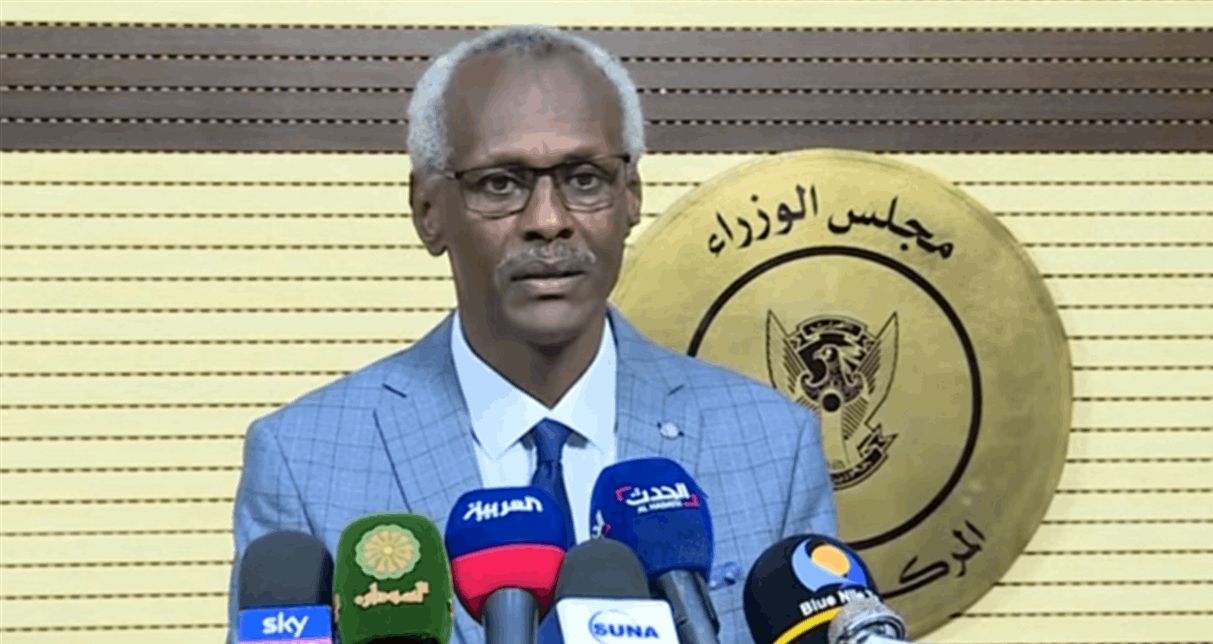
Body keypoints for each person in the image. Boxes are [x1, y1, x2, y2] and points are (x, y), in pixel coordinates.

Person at [226, 24, 836, 644]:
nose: (548, 220)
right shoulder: (304, 461)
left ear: (631, 196)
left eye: (585, 178)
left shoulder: (771, 444)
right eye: (501, 183)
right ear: (428, 210)